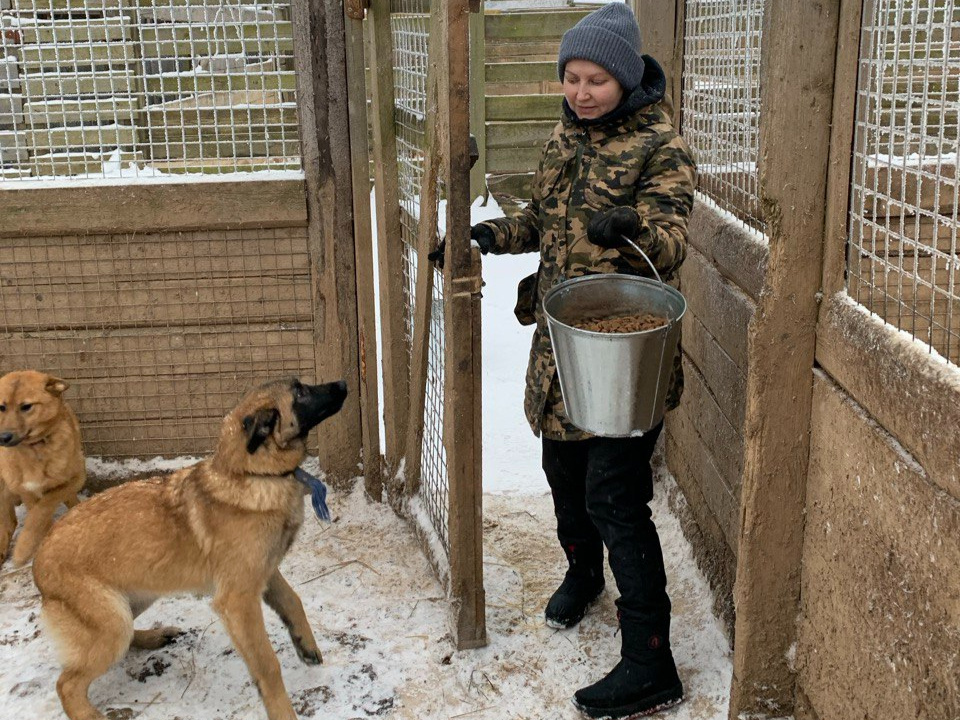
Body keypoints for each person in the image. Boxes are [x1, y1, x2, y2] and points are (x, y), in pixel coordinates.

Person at [432, 3, 695, 718]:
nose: (581, 92)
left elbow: (672, 238)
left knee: (617, 497)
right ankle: (584, 576)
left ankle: (651, 662)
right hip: (560, 350)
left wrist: (635, 224)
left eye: (597, 79)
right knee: (563, 476)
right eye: (572, 78)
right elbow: (545, 221)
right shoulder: (565, 136)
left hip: (622, 355)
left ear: (628, 76)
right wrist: (491, 234)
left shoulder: (659, 145)